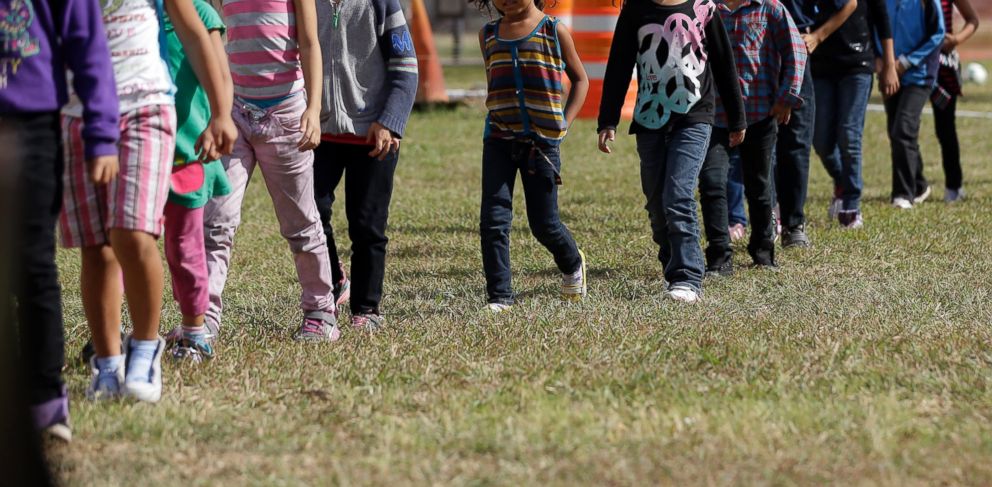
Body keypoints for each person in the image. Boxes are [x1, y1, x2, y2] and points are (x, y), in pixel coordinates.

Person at [60, 0, 236, 403]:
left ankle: (144, 348)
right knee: (97, 246)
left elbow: (194, 33)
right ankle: (107, 364)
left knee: (132, 234)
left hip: (145, 107)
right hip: (76, 113)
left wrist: (221, 112)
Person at [2, 0, 118, 438]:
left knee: (32, 266)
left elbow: (88, 46)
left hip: (32, 128)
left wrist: (102, 132)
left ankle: (46, 400)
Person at [204, 0, 337, 341]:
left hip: (285, 113)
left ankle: (320, 312)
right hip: (234, 114)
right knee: (216, 219)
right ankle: (204, 316)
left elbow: (309, 43)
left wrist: (313, 107)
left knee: (301, 224)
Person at [599, 0, 745, 301]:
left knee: (678, 196)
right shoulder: (635, 9)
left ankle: (688, 277)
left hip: (695, 117)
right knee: (656, 204)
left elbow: (723, 62)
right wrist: (608, 120)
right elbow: (619, 63)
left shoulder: (704, 8)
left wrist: (736, 117)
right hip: (650, 118)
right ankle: (673, 261)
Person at [473, 0, 588, 312]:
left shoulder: (553, 31)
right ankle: (500, 296)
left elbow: (580, 80)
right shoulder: (488, 35)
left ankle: (573, 263)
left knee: (544, 224)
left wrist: (564, 123)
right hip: (498, 139)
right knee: (493, 220)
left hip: (541, 145)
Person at [312, 0, 418, 329]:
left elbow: (406, 68)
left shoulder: (381, 3)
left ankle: (367, 309)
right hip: (318, 133)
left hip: (374, 136)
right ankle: (334, 281)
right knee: (310, 215)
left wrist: (390, 121)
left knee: (367, 227)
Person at [699, 0, 806, 272]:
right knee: (712, 183)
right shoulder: (705, 9)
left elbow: (796, 52)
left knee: (759, 186)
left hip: (758, 112)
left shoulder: (771, 9)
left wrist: (787, 97)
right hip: (715, 115)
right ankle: (719, 255)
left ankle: (763, 251)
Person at [161, 0, 234, 361]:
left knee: (184, 248)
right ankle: (112, 332)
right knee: (123, 245)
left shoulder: (203, 16)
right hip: (138, 150)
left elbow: (222, 75)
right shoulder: (129, 12)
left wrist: (217, 120)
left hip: (187, 156)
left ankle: (195, 331)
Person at [773, 0, 856, 248]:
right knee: (760, 139)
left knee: (796, 141)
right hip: (754, 49)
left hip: (795, 51)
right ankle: (765, 219)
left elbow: (849, 3)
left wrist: (818, 36)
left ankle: (793, 224)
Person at [812, 0, 900, 228]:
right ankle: (842, 182)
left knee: (849, 135)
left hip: (857, 65)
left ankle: (851, 205)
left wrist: (889, 64)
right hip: (820, 66)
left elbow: (882, 19)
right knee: (820, 140)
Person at [885, 0, 945, 209]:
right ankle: (919, 185)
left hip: (920, 75)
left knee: (903, 130)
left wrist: (907, 62)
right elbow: (878, 27)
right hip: (890, 73)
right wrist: (886, 61)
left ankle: (904, 193)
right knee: (897, 132)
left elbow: (938, 34)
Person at [931, 0, 979, 203]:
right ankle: (913, 186)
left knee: (945, 129)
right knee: (904, 128)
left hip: (942, 69)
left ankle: (954, 186)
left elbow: (972, 20)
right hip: (911, 66)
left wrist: (956, 39)